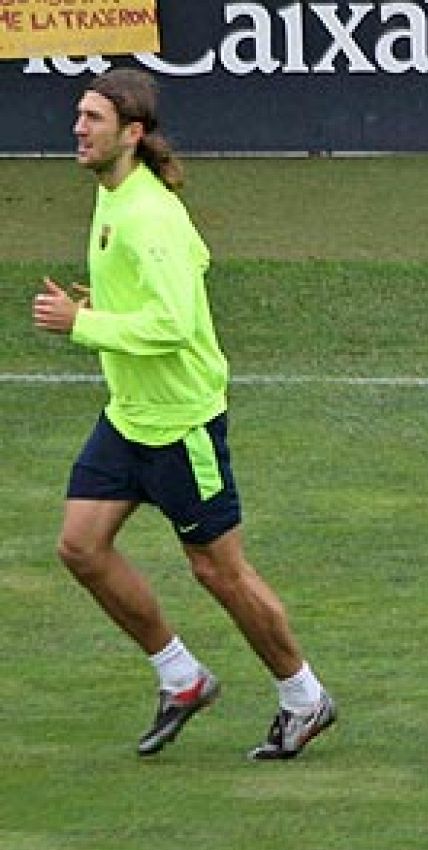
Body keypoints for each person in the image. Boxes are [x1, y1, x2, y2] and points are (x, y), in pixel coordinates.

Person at [30, 69, 336, 761]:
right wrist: (105, 306)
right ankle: (181, 675)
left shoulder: (148, 215)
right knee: (81, 545)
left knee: (219, 572)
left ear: (132, 134)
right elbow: (193, 263)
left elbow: (172, 322)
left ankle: (304, 696)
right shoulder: (115, 196)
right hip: (129, 416)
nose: (78, 128)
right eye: (78, 115)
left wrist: (83, 323)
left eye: (93, 119)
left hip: (181, 423)